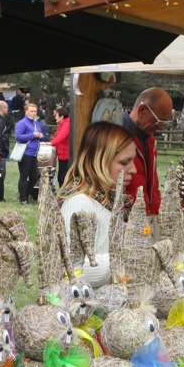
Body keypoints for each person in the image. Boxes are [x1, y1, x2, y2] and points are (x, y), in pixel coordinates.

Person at [58, 121, 138, 287]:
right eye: (124, 162)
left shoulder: (116, 203)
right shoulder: (79, 203)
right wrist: (133, 260)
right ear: (98, 161)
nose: (133, 170)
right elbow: (70, 268)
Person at [122, 87, 173, 216]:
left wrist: (155, 216)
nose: (161, 128)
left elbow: (153, 186)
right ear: (142, 110)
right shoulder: (115, 138)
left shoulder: (150, 140)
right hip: (126, 220)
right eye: (159, 121)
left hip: (146, 220)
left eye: (164, 123)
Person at [14, 103, 48, 204]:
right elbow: (18, 137)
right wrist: (33, 135)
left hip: (34, 153)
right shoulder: (22, 123)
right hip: (25, 152)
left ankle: (26, 194)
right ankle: (23, 199)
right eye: (31, 111)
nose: (33, 113)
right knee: (24, 175)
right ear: (26, 112)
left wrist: (41, 136)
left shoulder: (37, 124)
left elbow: (43, 137)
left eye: (35, 111)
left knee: (34, 176)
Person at [51, 107, 71, 187]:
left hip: (66, 156)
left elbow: (61, 136)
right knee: (61, 177)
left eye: (56, 115)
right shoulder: (62, 124)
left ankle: (63, 194)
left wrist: (51, 143)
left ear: (61, 117)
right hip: (63, 155)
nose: (55, 117)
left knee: (62, 178)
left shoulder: (66, 125)